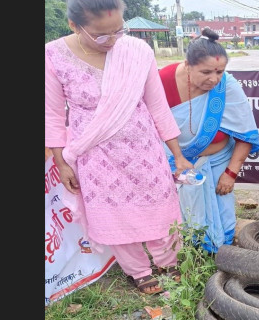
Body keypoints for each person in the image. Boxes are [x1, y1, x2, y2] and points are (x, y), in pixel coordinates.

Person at [45, 0, 193, 295]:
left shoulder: (137, 51)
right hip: (95, 156)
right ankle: (138, 271)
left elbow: (157, 105)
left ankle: (168, 262)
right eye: (101, 35)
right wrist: (62, 163)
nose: (112, 41)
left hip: (144, 150)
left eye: (118, 31)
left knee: (159, 206)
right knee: (112, 213)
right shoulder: (52, 55)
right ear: (75, 26)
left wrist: (177, 154)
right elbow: (51, 114)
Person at [159, 28, 259, 254]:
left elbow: (245, 134)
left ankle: (220, 251)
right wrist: (178, 158)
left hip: (217, 162)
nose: (213, 79)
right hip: (177, 162)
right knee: (181, 214)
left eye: (220, 72)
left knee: (222, 214)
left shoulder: (227, 86)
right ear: (187, 65)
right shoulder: (162, 81)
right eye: (205, 72)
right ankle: (187, 253)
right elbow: (153, 124)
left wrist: (231, 173)